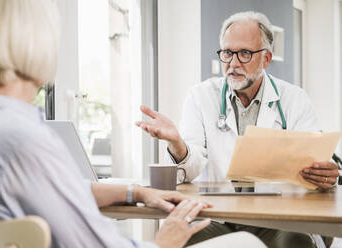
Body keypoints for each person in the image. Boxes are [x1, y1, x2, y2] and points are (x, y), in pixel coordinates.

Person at [0, 1, 272, 248]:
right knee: (246, 243)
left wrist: (135, 193)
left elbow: (60, 190)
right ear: (38, 47)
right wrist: (164, 242)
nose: (234, 60)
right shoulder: (23, 141)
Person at [136, 11, 339, 248]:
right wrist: (177, 143)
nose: (233, 63)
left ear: (266, 58)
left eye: (244, 53)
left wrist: (322, 175)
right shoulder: (201, 97)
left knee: (297, 243)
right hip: (217, 215)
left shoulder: (294, 99)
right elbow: (190, 169)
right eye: (227, 53)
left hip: (278, 217)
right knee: (182, 242)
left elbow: (313, 164)